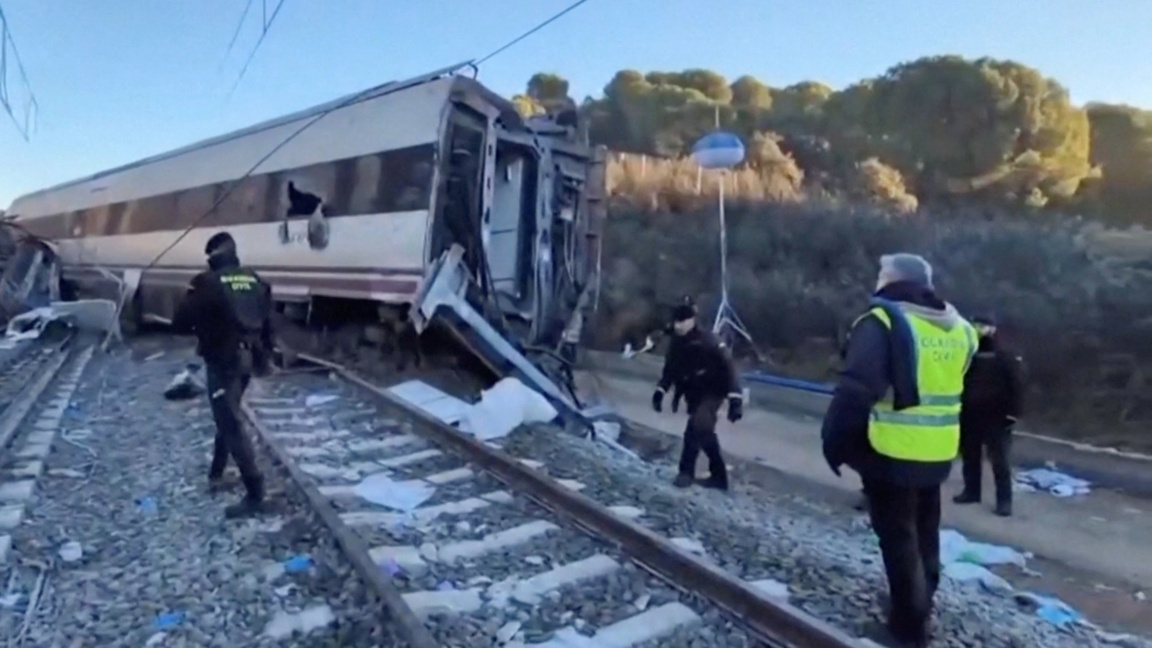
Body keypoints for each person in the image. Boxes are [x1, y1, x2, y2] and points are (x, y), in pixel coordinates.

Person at [821, 253, 977, 648]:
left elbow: (857, 390)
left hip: (892, 450)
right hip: (939, 450)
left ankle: (908, 630)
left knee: (898, 538)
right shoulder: (959, 328)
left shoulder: (883, 322)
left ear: (891, 279)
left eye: (880, 274)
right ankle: (920, 603)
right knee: (925, 531)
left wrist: (834, 443)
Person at [172, 231, 275, 519]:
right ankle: (216, 473)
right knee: (227, 412)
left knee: (229, 421)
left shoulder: (205, 283)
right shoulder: (255, 280)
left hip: (223, 360)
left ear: (212, 257)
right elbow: (269, 322)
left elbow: (179, 323)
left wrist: (201, 324)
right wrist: (267, 357)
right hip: (249, 359)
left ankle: (255, 494)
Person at [652, 303, 743, 490]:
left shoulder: (708, 341)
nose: (678, 326)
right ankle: (718, 477)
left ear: (692, 320)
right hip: (693, 393)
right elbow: (670, 371)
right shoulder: (677, 344)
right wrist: (660, 391)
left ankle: (686, 473)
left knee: (697, 425)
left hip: (714, 391)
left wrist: (736, 399)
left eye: (682, 321)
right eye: (676, 321)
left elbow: (730, 368)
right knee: (703, 432)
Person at [953, 314, 1024, 517]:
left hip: (998, 417)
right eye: (977, 325)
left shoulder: (1004, 355)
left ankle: (1004, 502)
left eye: (984, 326)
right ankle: (971, 492)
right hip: (970, 414)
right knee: (970, 456)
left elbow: (1016, 386)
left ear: (993, 329)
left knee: (999, 461)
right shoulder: (968, 353)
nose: (980, 329)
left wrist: (1013, 413)